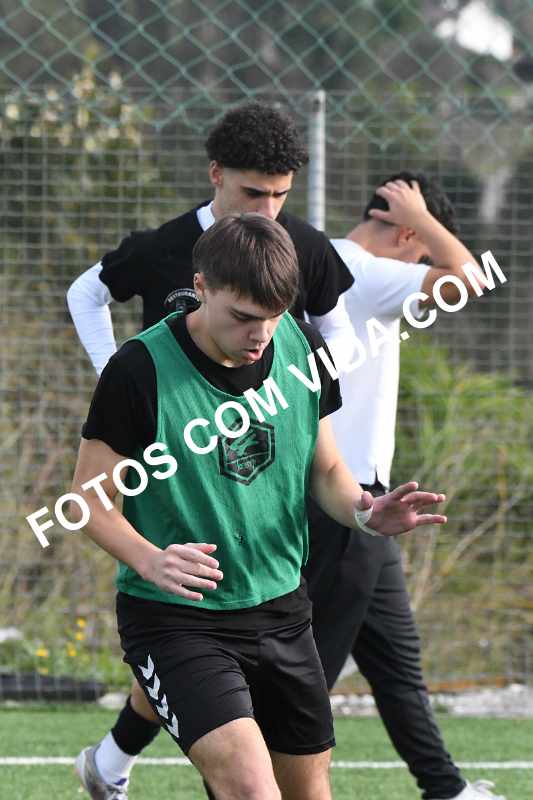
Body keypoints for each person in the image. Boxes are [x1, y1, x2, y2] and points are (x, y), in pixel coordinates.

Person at [70, 214, 447, 800]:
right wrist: (149, 559)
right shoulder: (139, 370)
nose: (260, 334)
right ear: (201, 287)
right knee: (251, 789)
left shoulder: (303, 348)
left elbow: (325, 469)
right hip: (178, 620)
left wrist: (366, 512)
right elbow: (87, 501)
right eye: (244, 317)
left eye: (273, 316)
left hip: (282, 609)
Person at [303, 172, 503, 800]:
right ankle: (249, 780)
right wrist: (425, 218)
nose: (421, 271)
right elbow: (472, 278)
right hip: (348, 501)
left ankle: (447, 789)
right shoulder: (362, 270)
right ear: (409, 233)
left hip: (364, 505)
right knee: (306, 676)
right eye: (421, 251)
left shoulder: (324, 261)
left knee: (395, 662)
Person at [66, 102, 356, 377]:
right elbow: (85, 293)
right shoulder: (162, 246)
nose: (268, 211)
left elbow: (339, 332)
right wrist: (110, 372)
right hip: (176, 410)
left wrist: (299, 387)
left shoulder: (308, 246)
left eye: (280, 194)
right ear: (217, 174)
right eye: (253, 193)